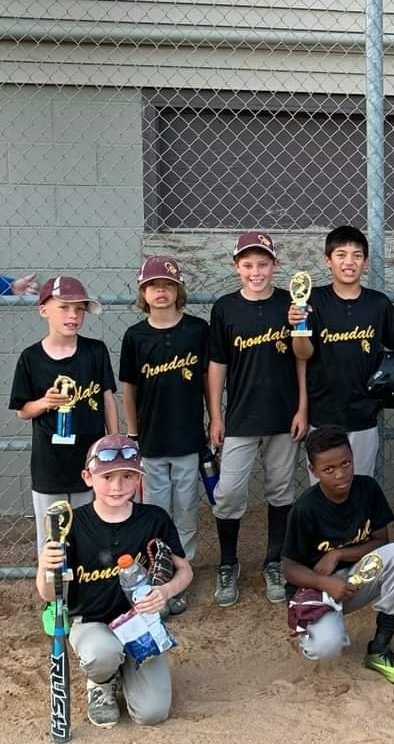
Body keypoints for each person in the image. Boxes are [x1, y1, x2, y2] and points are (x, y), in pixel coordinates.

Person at [35, 434, 193, 729]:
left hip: (139, 624)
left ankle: (127, 670)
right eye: (107, 476)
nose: (117, 486)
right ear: (88, 477)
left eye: (127, 476)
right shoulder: (73, 524)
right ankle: (102, 682)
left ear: (138, 479)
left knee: (152, 714)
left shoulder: (154, 518)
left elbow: (185, 571)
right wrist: (46, 565)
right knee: (101, 654)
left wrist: (165, 591)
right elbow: (47, 594)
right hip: (91, 622)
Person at [207, 231, 305, 607]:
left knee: (281, 491)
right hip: (241, 417)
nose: (256, 271)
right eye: (247, 264)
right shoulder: (225, 308)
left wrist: (302, 408)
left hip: (283, 415)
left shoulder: (290, 303)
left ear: (274, 266)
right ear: (236, 268)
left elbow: (301, 359)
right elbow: (217, 364)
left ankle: (273, 562)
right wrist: (215, 415)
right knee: (229, 493)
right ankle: (228, 562)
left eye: (262, 264)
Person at [290, 226, 394, 482]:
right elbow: (303, 355)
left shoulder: (377, 303)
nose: (349, 262)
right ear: (328, 261)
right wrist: (298, 329)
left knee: (360, 484)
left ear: (365, 262)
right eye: (341, 254)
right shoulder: (313, 300)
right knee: (324, 488)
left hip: (364, 413)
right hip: (323, 414)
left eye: (356, 255)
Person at [281, 425, 394, 684]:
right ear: (313, 471)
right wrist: (324, 582)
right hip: (317, 588)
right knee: (327, 649)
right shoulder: (305, 509)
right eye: (328, 469)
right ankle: (314, 630)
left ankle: (380, 647)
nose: (340, 474)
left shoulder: (367, 489)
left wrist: (339, 554)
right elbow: (289, 568)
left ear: (353, 457)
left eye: (346, 463)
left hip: (355, 578)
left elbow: (381, 541)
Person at [119, 256, 209, 615]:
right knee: (157, 512)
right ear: (143, 292)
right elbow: (129, 389)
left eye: (168, 285)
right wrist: (133, 433)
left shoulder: (196, 330)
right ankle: (160, 574)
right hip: (152, 441)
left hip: (187, 438)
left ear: (178, 290)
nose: (160, 291)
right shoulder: (135, 336)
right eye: (152, 285)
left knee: (186, 510)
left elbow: (208, 381)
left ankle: (181, 577)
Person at [10, 275, 118, 552]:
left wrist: (114, 444)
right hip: (50, 465)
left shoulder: (95, 350)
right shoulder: (31, 357)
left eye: (79, 309)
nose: (73, 315)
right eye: (64, 307)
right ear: (43, 309)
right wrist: (45, 402)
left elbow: (107, 398)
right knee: (52, 540)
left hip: (90, 461)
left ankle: (89, 592)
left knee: (91, 534)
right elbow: (23, 411)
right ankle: (55, 594)